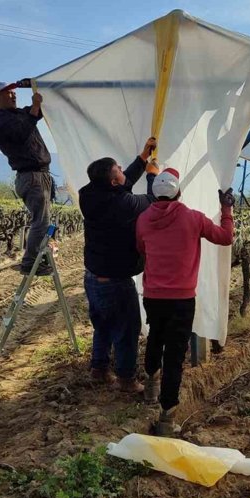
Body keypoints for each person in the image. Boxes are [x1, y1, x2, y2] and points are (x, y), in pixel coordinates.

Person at [135, 168, 235, 436]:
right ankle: (167, 418)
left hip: (154, 295)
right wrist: (226, 210)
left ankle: (150, 387)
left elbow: (142, 248)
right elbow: (226, 237)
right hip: (181, 298)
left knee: (155, 337)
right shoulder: (193, 218)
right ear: (179, 192)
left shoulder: (143, 219)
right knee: (175, 356)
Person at [78, 137, 160, 393]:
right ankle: (126, 380)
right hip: (115, 282)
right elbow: (154, 200)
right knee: (126, 330)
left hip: (93, 278)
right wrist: (152, 176)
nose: (123, 172)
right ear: (113, 181)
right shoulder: (123, 205)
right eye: (119, 171)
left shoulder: (89, 194)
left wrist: (142, 159)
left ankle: (99, 369)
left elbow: (123, 185)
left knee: (102, 325)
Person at [0, 81, 53, 276]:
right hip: (32, 175)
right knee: (40, 222)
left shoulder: (17, 115)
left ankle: (39, 258)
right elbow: (21, 132)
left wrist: (39, 85)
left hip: (38, 175)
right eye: (9, 92)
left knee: (44, 221)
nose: (14, 95)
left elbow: (39, 112)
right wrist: (34, 107)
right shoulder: (1, 121)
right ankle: (31, 263)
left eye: (14, 92)